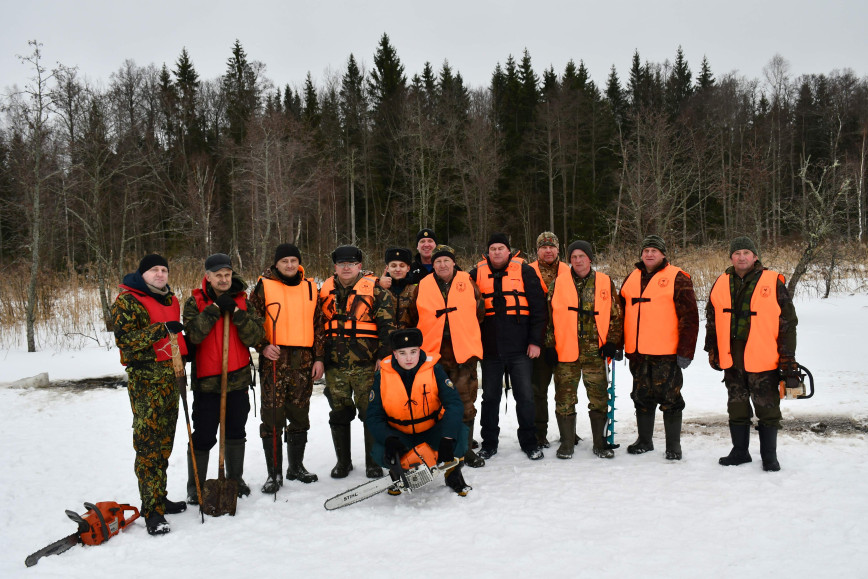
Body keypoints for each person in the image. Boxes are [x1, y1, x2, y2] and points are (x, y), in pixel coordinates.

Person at [705, 237, 798, 472]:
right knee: (736, 405)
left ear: (755, 256)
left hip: (764, 356)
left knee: (767, 408)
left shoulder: (773, 281)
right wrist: (712, 349)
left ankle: (769, 456)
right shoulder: (721, 282)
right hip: (732, 357)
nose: (742, 257)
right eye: (737, 253)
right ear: (731, 257)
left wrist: (788, 360)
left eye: (747, 252)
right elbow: (712, 319)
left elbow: (788, 323)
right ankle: (740, 452)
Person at [111, 254, 188, 536]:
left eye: (164, 270)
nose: (160, 274)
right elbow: (126, 342)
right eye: (154, 270)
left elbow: (175, 338)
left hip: (172, 377)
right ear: (142, 273)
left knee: (165, 444)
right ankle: (151, 509)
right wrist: (160, 330)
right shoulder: (127, 301)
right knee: (148, 448)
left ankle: (160, 497)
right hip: (147, 383)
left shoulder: (171, 300)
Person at [182, 253, 264, 501]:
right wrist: (215, 310)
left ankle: (234, 479)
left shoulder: (244, 302)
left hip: (237, 381)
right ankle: (195, 486)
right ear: (208, 276)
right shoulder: (194, 303)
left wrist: (237, 314)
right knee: (204, 434)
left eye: (227, 275)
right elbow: (193, 336)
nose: (224, 279)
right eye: (218, 275)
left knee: (235, 432)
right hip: (207, 383)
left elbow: (256, 337)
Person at [248, 243, 324, 493]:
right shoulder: (263, 286)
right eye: (284, 261)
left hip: (303, 360)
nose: (290, 265)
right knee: (272, 416)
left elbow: (319, 325)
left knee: (300, 414)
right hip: (275, 359)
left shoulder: (311, 288)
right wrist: (262, 346)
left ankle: (296, 467)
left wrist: (319, 358)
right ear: (276, 264)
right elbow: (252, 322)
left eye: (293, 260)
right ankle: (274, 473)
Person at [619, 235, 699, 460]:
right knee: (641, 396)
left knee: (670, 399)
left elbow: (690, 318)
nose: (650, 254)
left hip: (667, 354)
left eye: (654, 250)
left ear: (663, 254)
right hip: (637, 353)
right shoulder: (631, 277)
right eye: (646, 250)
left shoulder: (678, 277)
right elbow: (620, 314)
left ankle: (673, 446)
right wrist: (617, 344)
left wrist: (685, 351)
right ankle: (644, 440)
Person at [469, 233, 547, 460]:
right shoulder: (475, 274)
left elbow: (539, 310)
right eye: (492, 248)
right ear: (487, 252)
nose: (496, 252)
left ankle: (529, 442)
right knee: (490, 398)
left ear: (509, 250)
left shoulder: (525, 271)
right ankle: (489, 442)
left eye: (500, 248)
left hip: (520, 349)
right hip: (490, 349)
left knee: (525, 397)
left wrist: (535, 341)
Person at [320, 245, 397, 478]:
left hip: (367, 365)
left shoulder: (376, 291)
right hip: (335, 366)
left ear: (359, 266)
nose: (346, 267)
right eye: (342, 264)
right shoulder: (323, 292)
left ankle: (373, 462)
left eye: (351, 264)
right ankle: (343, 462)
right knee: (339, 414)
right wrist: (319, 359)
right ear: (335, 266)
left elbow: (388, 327)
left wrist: (383, 357)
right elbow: (316, 328)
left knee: (370, 413)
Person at [366, 328, 471, 496]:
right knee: (380, 451)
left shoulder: (434, 369)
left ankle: (452, 472)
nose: (409, 358)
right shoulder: (382, 376)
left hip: (431, 429)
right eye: (402, 353)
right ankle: (397, 473)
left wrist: (447, 437)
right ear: (394, 353)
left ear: (419, 350)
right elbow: (373, 415)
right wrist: (389, 438)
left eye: (413, 352)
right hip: (400, 433)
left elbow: (454, 404)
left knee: (459, 436)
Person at [408, 244, 486, 468]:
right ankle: (438, 450)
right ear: (433, 265)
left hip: (464, 354)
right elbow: (413, 316)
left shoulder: (468, 283)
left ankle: (466, 450)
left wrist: (461, 330)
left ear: (454, 262)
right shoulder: (422, 285)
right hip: (433, 356)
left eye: (446, 261)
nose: (442, 265)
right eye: (437, 261)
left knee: (465, 402)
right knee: (433, 404)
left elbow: (479, 313)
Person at [548, 241, 623, 459]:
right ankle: (567, 443)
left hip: (595, 351)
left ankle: (600, 443)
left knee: (599, 398)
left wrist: (612, 341)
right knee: (564, 398)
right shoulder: (558, 283)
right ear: (569, 259)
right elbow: (548, 318)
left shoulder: (605, 282)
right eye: (574, 257)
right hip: (565, 351)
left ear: (590, 258)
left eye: (582, 256)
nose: (578, 260)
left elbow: (616, 315)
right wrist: (549, 345)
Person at [528, 231, 571, 448]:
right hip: (539, 343)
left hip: (564, 342)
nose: (548, 250)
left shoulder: (568, 272)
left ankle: (568, 432)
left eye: (551, 247)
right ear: (537, 250)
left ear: (557, 249)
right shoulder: (527, 272)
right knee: (538, 390)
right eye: (543, 247)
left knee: (565, 390)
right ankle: (539, 433)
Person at [377, 247, 416, 328]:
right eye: (393, 266)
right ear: (387, 268)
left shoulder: (415, 290)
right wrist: (378, 285)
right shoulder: (377, 287)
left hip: (409, 337)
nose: (398, 269)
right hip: (385, 337)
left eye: (402, 266)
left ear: (408, 268)